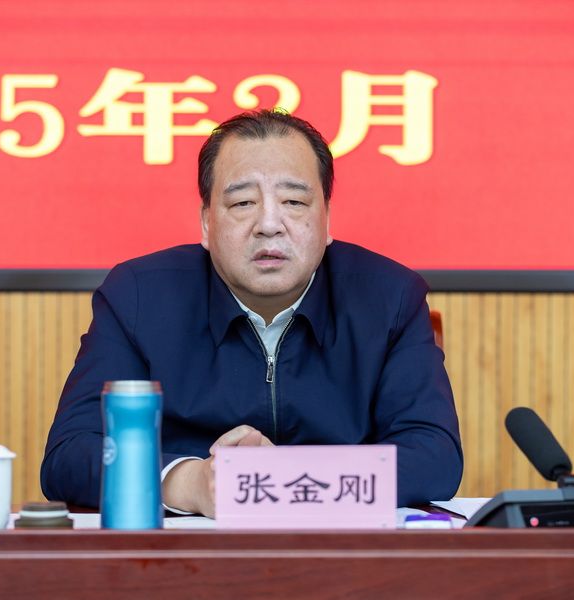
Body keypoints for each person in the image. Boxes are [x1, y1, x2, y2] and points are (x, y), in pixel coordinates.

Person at [41, 109, 462, 516]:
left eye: (294, 201)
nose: (269, 224)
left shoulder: (389, 297)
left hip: (343, 554)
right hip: (182, 556)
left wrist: (281, 479)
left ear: (327, 219)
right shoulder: (138, 297)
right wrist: (190, 483)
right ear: (207, 223)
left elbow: (434, 455)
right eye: (243, 202)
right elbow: (70, 453)